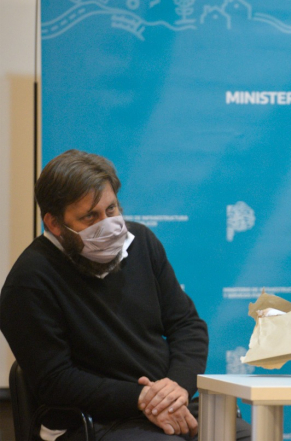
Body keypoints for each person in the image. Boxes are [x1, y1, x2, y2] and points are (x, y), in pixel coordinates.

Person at [0, 150, 251, 440]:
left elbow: (187, 325)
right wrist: (142, 398)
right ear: (54, 224)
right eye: (89, 217)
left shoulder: (141, 242)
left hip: (165, 404)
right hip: (89, 422)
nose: (107, 224)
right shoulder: (29, 282)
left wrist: (176, 387)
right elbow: (56, 381)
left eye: (111, 209)